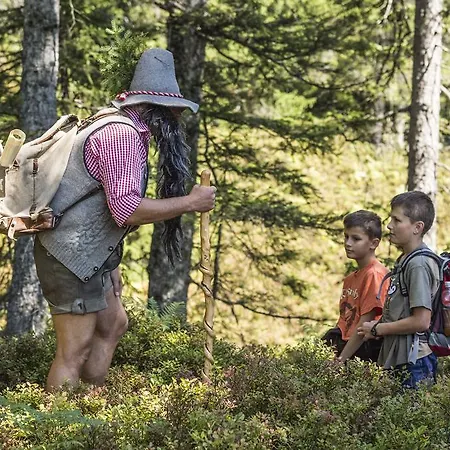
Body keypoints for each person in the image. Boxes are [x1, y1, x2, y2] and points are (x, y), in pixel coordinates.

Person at [33, 48, 216, 391]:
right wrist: (190, 202)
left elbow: (104, 204)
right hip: (69, 254)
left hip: (89, 254)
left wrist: (110, 262)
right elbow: (126, 209)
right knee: (73, 350)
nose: (178, 116)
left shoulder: (123, 127)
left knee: (113, 324)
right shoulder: (122, 137)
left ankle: (91, 403)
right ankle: (58, 419)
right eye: (174, 109)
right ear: (154, 107)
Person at [358, 191, 439, 389]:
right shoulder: (406, 260)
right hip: (400, 357)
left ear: (417, 227)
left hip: (414, 361)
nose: (389, 225)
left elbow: (421, 321)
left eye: (397, 220)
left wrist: (378, 329)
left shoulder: (418, 264)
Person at [322, 210, 388, 363]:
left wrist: (341, 360)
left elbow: (364, 325)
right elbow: (344, 321)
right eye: (346, 237)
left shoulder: (374, 275)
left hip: (364, 351)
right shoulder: (351, 278)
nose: (348, 243)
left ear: (374, 243)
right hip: (346, 345)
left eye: (356, 238)